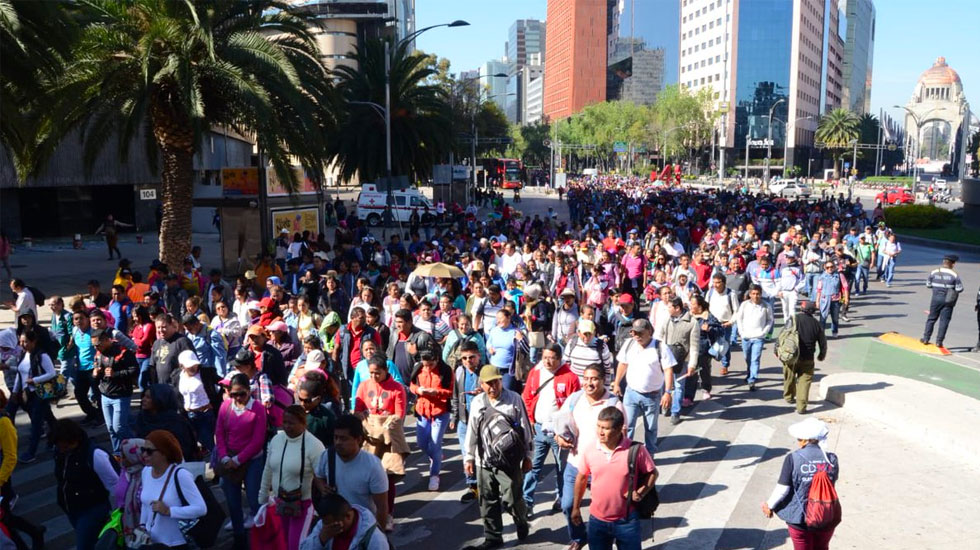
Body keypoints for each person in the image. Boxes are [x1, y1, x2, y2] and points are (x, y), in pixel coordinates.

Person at [462, 365, 533, 550]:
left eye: (496, 382)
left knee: (512, 499)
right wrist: (469, 458)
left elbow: (526, 429)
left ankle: (521, 520)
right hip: (483, 460)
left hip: (508, 461)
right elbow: (472, 431)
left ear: (501, 381)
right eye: (488, 383)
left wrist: (528, 456)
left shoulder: (514, 399)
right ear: (482, 384)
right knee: (487, 500)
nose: (493, 387)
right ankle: (493, 537)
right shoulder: (478, 402)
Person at [570, 407, 657, 550]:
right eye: (598, 426)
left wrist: (641, 492)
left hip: (627, 521)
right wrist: (575, 508)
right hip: (597, 521)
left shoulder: (636, 450)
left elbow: (653, 473)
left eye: (605, 428)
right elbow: (581, 478)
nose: (600, 432)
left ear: (618, 430)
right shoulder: (590, 449)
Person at [520, 343, 580, 516]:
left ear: (559, 359)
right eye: (545, 357)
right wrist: (530, 420)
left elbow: (575, 404)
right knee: (533, 467)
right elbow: (527, 397)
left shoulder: (570, 377)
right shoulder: (535, 373)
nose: (547, 361)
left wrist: (567, 430)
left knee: (561, 468)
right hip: (538, 429)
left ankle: (561, 498)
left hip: (559, 432)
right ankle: (527, 501)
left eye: (552, 358)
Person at [762, 417, 839, 550]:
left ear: (805, 440)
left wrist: (769, 505)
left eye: (799, 439)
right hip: (825, 515)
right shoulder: (832, 459)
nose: (798, 442)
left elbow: (783, 489)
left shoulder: (793, 458)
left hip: (799, 518)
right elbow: (831, 484)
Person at [353, 356, 408, 531]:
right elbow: (357, 409)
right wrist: (363, 417)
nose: (374, 376)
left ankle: (388, 514)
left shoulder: (397, 388)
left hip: (388, 438)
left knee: (387, 476)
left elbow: (399, 414)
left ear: (386, 371)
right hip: (369, 437)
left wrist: (386, 424)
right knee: (366, 476)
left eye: (377, 373)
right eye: (371, 373)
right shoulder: (364, 386)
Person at [313, 414, 390, 536]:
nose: (338, 442)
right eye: (336, 437)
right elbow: (318, 476)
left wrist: (378, 535)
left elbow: (382, 507)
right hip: (334, 527)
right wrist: (323, 488)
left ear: (358, 439)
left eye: (344, 439)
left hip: (361, 529)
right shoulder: (327, 456)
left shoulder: (373, 466)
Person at [261, 405, 326, 550]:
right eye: (284, 422)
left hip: (303, 505)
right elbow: (268, 469)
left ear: (303, 423)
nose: (286, 426)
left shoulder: (314, 445)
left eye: (291, 423)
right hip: (280, 503)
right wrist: (263, 496)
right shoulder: (276, 440)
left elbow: (322, 476)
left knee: (296, 546)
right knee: (284, 543)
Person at [215, 372, 268, 547]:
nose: (238, 398)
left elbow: (258, 441)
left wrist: (237, 460)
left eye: (241, 394)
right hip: (229, 459)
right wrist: (224, 457)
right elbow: (219, 433)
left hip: (252, 460)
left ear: (249, 391)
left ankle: (263, 537)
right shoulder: (225, 407)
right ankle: (239, 538)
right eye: (234, 394)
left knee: (254, 500)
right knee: (232, 502)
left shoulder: (258, 408)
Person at [613, 318, 676, 456]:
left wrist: (667, 392)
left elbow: (668, 370)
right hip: (631, 393)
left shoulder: (660, 347)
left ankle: (650, 456)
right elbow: (623, 364)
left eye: (640, 333)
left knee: (651, 428)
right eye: (634, 333)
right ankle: (625, 455)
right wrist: (617, 383)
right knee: (627, 426)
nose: (636, 336)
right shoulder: (629, 344)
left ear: (649, 331)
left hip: (652, 396)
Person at [52, 419, 118, 550]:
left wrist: (117, 513)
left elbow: (114, 484)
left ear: (74, 440)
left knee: (84, 546)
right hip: (72, 508)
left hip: (93, 509)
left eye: (65, 447)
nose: (62, 450)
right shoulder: (60, 452)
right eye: (60, 447)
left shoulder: (95, 454)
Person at [138, 430, 207, 548]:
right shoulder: (146, 472)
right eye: (142, 450)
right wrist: (142, 525)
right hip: (151, 542)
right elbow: (145, 504)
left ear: (164, 453)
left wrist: (169, 511)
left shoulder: (181, 475)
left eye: (149, 451)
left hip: (176, 543)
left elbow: (201, 508)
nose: (144, 455)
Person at [0, 389, 46, 550]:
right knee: (5, 518)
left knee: (4, 520)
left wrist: (0, 480)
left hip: (2, 477)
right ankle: (34, 531)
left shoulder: (3, 423)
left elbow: (11, 456)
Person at [8, 330, 58, 463]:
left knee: (36, 423)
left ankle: (31, 452)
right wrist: (15, 392)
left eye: (25, 342)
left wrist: (35, 380)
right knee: (50, 419)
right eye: (20, 341)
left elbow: (51, 373)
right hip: (27, 394)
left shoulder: (42, 355)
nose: (22, 344)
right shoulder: (23, 354)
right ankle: (56, 439)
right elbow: (20, 374)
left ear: (33, 341)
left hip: (39, 394)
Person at [409, 350, 454, 491]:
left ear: (437, 360)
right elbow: (411, 385)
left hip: (440, 412)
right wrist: (418, 390)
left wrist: (436, 392)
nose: (428, 367)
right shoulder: (418, 368)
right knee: (421, 443)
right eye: (425, 365)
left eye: (431, 365)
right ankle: (437, 456)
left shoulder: (446, 371)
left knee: (435, 443)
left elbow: (451, 392)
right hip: (422, 411)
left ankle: (434, 475)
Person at [92, 328, 138, 453]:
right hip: (105, 395)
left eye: (98, 345)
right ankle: (118, 453)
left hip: (120, 395)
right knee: (111, 429)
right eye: (94, 346)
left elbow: (134, 370)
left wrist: (116, 374)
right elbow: (96, 366)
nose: (96, 348)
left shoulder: (123, 352)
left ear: (107, 340)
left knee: (119, 428)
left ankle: (137, 448)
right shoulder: (98, 353)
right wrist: (95, 372)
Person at [450, 341, 484, 502]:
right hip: (464, 420)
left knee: (482, 454)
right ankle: (473, 486)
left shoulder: (485, 372)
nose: (468, 361)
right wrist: (454, 417)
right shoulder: (459, 371)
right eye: (464, 358)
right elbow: (455, 396)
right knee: (466, 454)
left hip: (482, 421)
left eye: (471, 357)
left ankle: (487, 485)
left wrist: (484, 391)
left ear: (478, 356)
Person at [134, 384, 200, 462]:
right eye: (144, 396)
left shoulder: (176, 421)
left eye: (148, 397)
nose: (143, 399)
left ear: (160, 399)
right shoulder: (142, 417)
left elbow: (185, 448)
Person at [301, 492, 390, 550]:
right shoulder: (326, 526)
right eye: (326, 524)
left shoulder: (374, 539)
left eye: (334, 524)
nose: (330, 528)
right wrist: (321, 539)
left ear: (348, 516)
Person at [782, 302, 827, 414]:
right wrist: (821, 355)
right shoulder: (816, 324)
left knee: (789, 376)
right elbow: (823, 342)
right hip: (808, 358)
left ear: (801, 309)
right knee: (804, 382)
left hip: (792, 355)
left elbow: (783, 334)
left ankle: (789, 396)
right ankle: (801, 407)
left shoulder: (793, 319)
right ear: (813, 311)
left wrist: (777, 349)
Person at [663, 297, 699, 424]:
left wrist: (692, 364)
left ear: (677, 308)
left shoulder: (692, 323)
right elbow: (659, 336)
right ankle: (666, 404)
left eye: (669, 307)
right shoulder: (667, 319)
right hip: (666, 358)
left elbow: (694, 346)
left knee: (678, 385)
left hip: (682, 360)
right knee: (666, 383)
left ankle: (675, 412)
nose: (667, 309)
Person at [733, 285, 774, 390]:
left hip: (758, 337)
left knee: (755, 359)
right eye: (753, 294)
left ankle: (752, 380)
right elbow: (739, 318)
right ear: (750, 294)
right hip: (746, 336)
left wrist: (764, 332)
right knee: (747, 358)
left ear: (761, 294)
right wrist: (741, 332)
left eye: (758, 294)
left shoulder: (766, 306)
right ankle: (749, 373)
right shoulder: (744, 305)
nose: (756, 296)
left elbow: (770, 320)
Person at [176, 350, 217, 456]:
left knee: (208, 441)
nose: (193, 368)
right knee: (192, 444)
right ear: (182, 366)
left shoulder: (205, 373)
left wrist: (213, 404)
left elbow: (220, 383)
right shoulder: (177, 376)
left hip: (205, 414)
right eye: (189, 366)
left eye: (195, 365)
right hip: (188, 415)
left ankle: (220, 462)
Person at [921, 254, 964, 349]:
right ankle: (939, 342)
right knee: (944, 321)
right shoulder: (954, 275)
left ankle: (926, 338)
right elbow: (959, 289)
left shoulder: (934, 272)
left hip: (935, 299)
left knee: (931, 319)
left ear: (943, 262)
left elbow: (928, 285)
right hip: (948, 300)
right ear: (953, 264)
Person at [148, 313, 195, 385]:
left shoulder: (182, 341)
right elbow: (152, 366)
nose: (161, 330)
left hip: (178, 386)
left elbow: (191, 366)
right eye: (158, 327)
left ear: (171, 325)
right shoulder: (157, 343)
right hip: (160, 386)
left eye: (164, 327)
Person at [813, 262, 848, 338]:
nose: (830, 269)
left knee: (835, 318)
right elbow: (819, 290)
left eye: (831, 267)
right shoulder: (821, 277)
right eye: (827, 267)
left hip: (835, 300)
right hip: (824, 299)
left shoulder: (839, 275)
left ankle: (834, 332)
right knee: (823, 318)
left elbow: (845, 286)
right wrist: (817, 301)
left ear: (834, 267)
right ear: (825, 268)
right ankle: (821, 334)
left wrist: (846, 298)